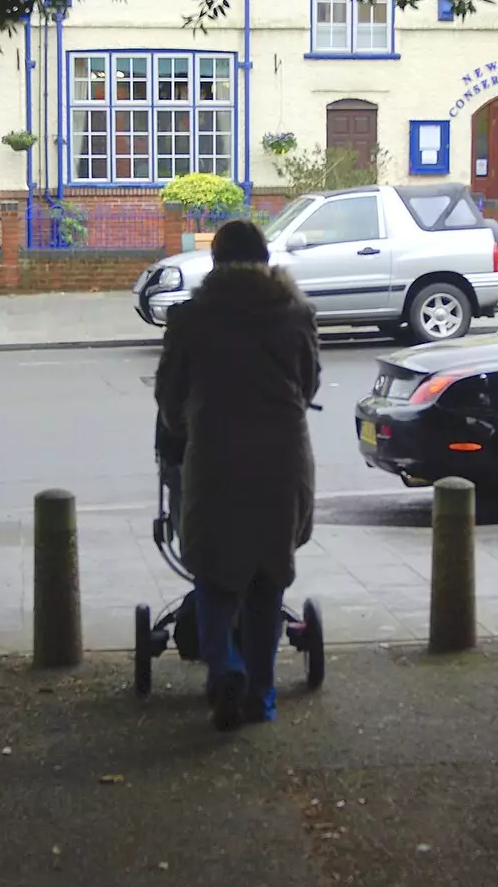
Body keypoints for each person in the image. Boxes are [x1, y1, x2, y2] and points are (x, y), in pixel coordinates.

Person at [154, 219, 321, 731]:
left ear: (216, 263)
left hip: (216, 455)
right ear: (267, 258)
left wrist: (185, 425)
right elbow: (309, 380)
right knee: (268, 578)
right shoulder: (295, 314)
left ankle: (225, 667)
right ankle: (261, 696)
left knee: (214, 572)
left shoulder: (192, 317)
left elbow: (169, 396)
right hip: (281, 458)